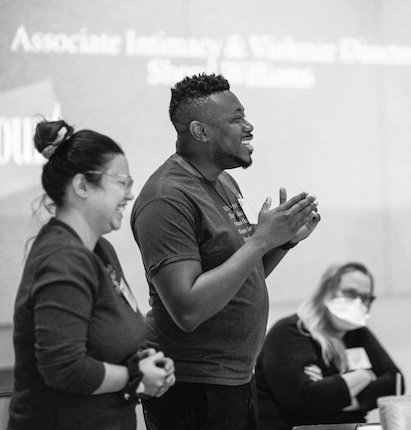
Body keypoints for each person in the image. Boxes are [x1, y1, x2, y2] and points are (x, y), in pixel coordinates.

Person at [130, 72, 320, 430]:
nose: (248, 127)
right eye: (236, 119)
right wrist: (262, 239)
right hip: (190, 387)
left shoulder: (224, 182)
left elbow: (243, 273)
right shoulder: (167, 197)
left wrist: (284, 241)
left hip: (235, 378)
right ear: (201, 131)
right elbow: (187, 309)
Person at [7, 119, 175, 430]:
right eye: (121, 182)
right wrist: (137, 377)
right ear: (82, 185)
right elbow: (64, 368)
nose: (129, 194)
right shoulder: (62, 258)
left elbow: (109, 339)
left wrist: (145, 363)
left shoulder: (101, 250)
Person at [255, 262, 403, 430]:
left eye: (366, 297)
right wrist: (366, 375)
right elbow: (306, 399)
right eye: (350, 293)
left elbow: (396, 381)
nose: (358, 303)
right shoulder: (291, 332)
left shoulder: (357, 332)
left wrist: (330, 389)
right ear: (327, 290)